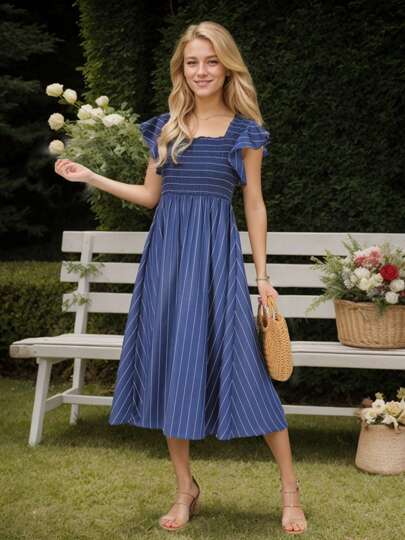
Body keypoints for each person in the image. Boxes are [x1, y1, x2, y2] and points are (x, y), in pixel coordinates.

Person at [54, 20, 307, 535]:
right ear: (181, 69)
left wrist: (262, 276)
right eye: (192, 62)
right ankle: (184, 488)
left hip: (215, 264)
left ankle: (290, 490)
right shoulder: (165, 128)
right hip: (166, 264)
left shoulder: (244, 132)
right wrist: (92, 176)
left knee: (249, 371)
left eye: (211, 61)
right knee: (173, 366)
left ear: (227, 67)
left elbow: (254, 205)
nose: (202, 71)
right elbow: (152, 197)